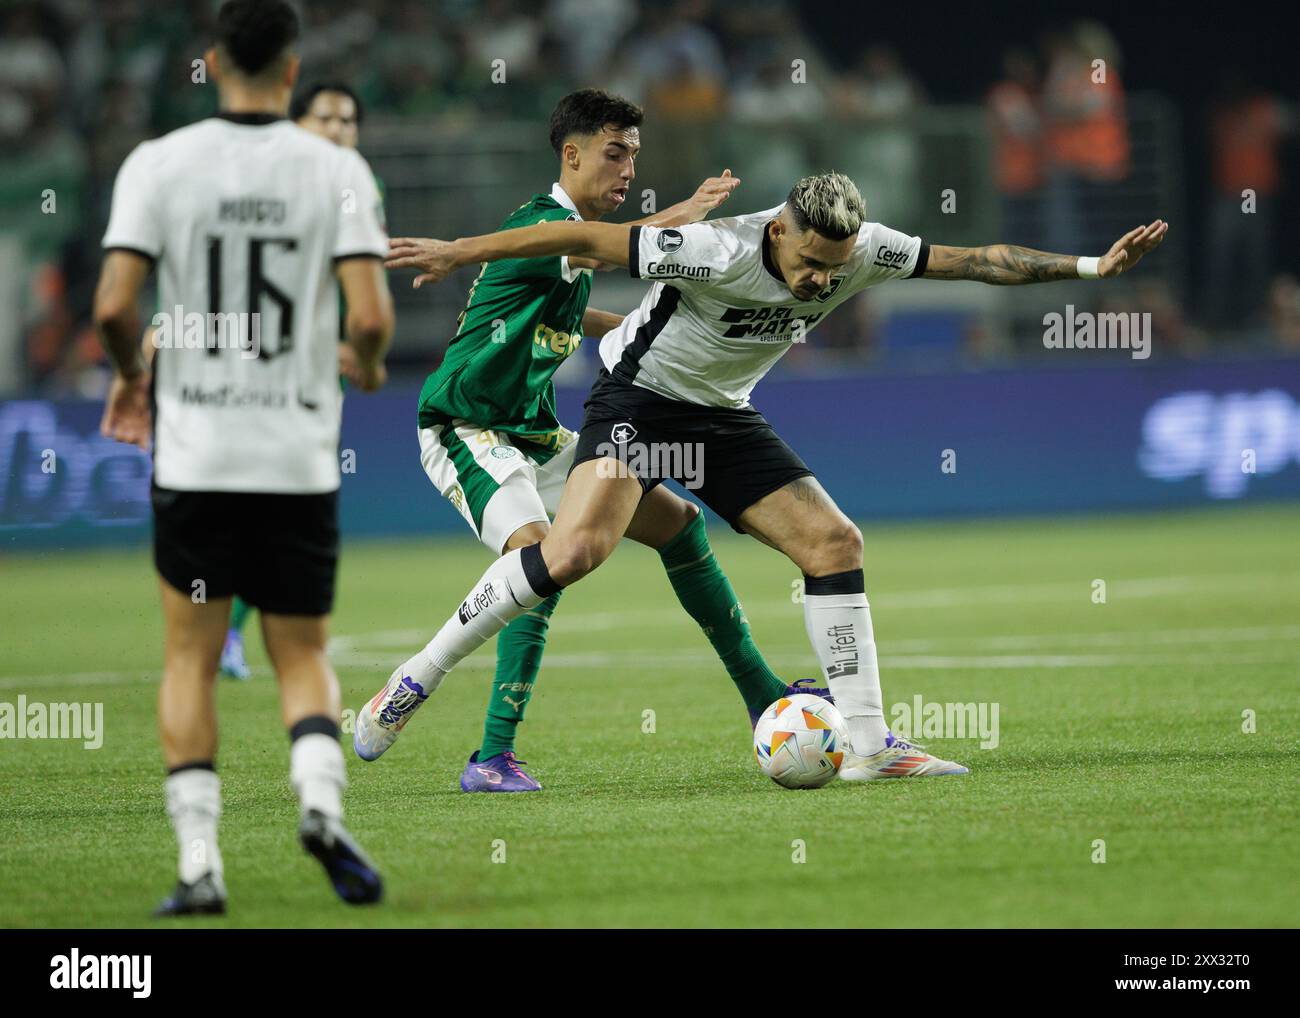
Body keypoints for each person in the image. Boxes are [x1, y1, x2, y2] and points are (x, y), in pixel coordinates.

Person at [384, 171, 1168, 781]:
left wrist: (1092, 265)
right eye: (809, 263)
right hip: (641, 403)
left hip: (725, 417)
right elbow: (579, 237)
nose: (822, 282)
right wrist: (459, 253)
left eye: (836, 268)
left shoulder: (863, 250)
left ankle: (869, 745)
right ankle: (419, 675)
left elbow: (971, 261)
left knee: (834, 542)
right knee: (575, 552)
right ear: (779, 229)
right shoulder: (714, 248)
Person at [353, 88, 823, 792]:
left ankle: (760, 692)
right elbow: (601, 252)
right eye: (614, 153)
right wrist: (684, 215)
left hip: (536, 437)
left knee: (679, 522)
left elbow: (580, 305)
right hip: (466, 428)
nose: (628, 167)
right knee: (543, 559)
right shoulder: (544, 225)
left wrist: (634, 328)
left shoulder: (559, 255)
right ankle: (467, 732)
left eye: (634, 153)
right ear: (570, 155)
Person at [94, 0, 393, 915]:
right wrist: (369, 366)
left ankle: (198, 866)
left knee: (189, 655)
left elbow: (113, 307)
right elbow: (372, 317)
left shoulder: (158, 163)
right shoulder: (337, 167)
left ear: (212, 59)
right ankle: (318, 804)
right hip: (296, 458)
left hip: (197, 457)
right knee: (300, 651)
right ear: (294, 68)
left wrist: (131, 375)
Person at [215, 80, 380, 682]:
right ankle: (227, 634)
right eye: (326, 117)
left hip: (321, 373)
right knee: (269, 502)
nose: (339, 129)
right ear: (298, 121)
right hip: (263, 364)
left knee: (284, 504)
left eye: (348, 119)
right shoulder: (274, 180)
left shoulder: (362, 183)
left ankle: (237, 632)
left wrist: (357, 344)